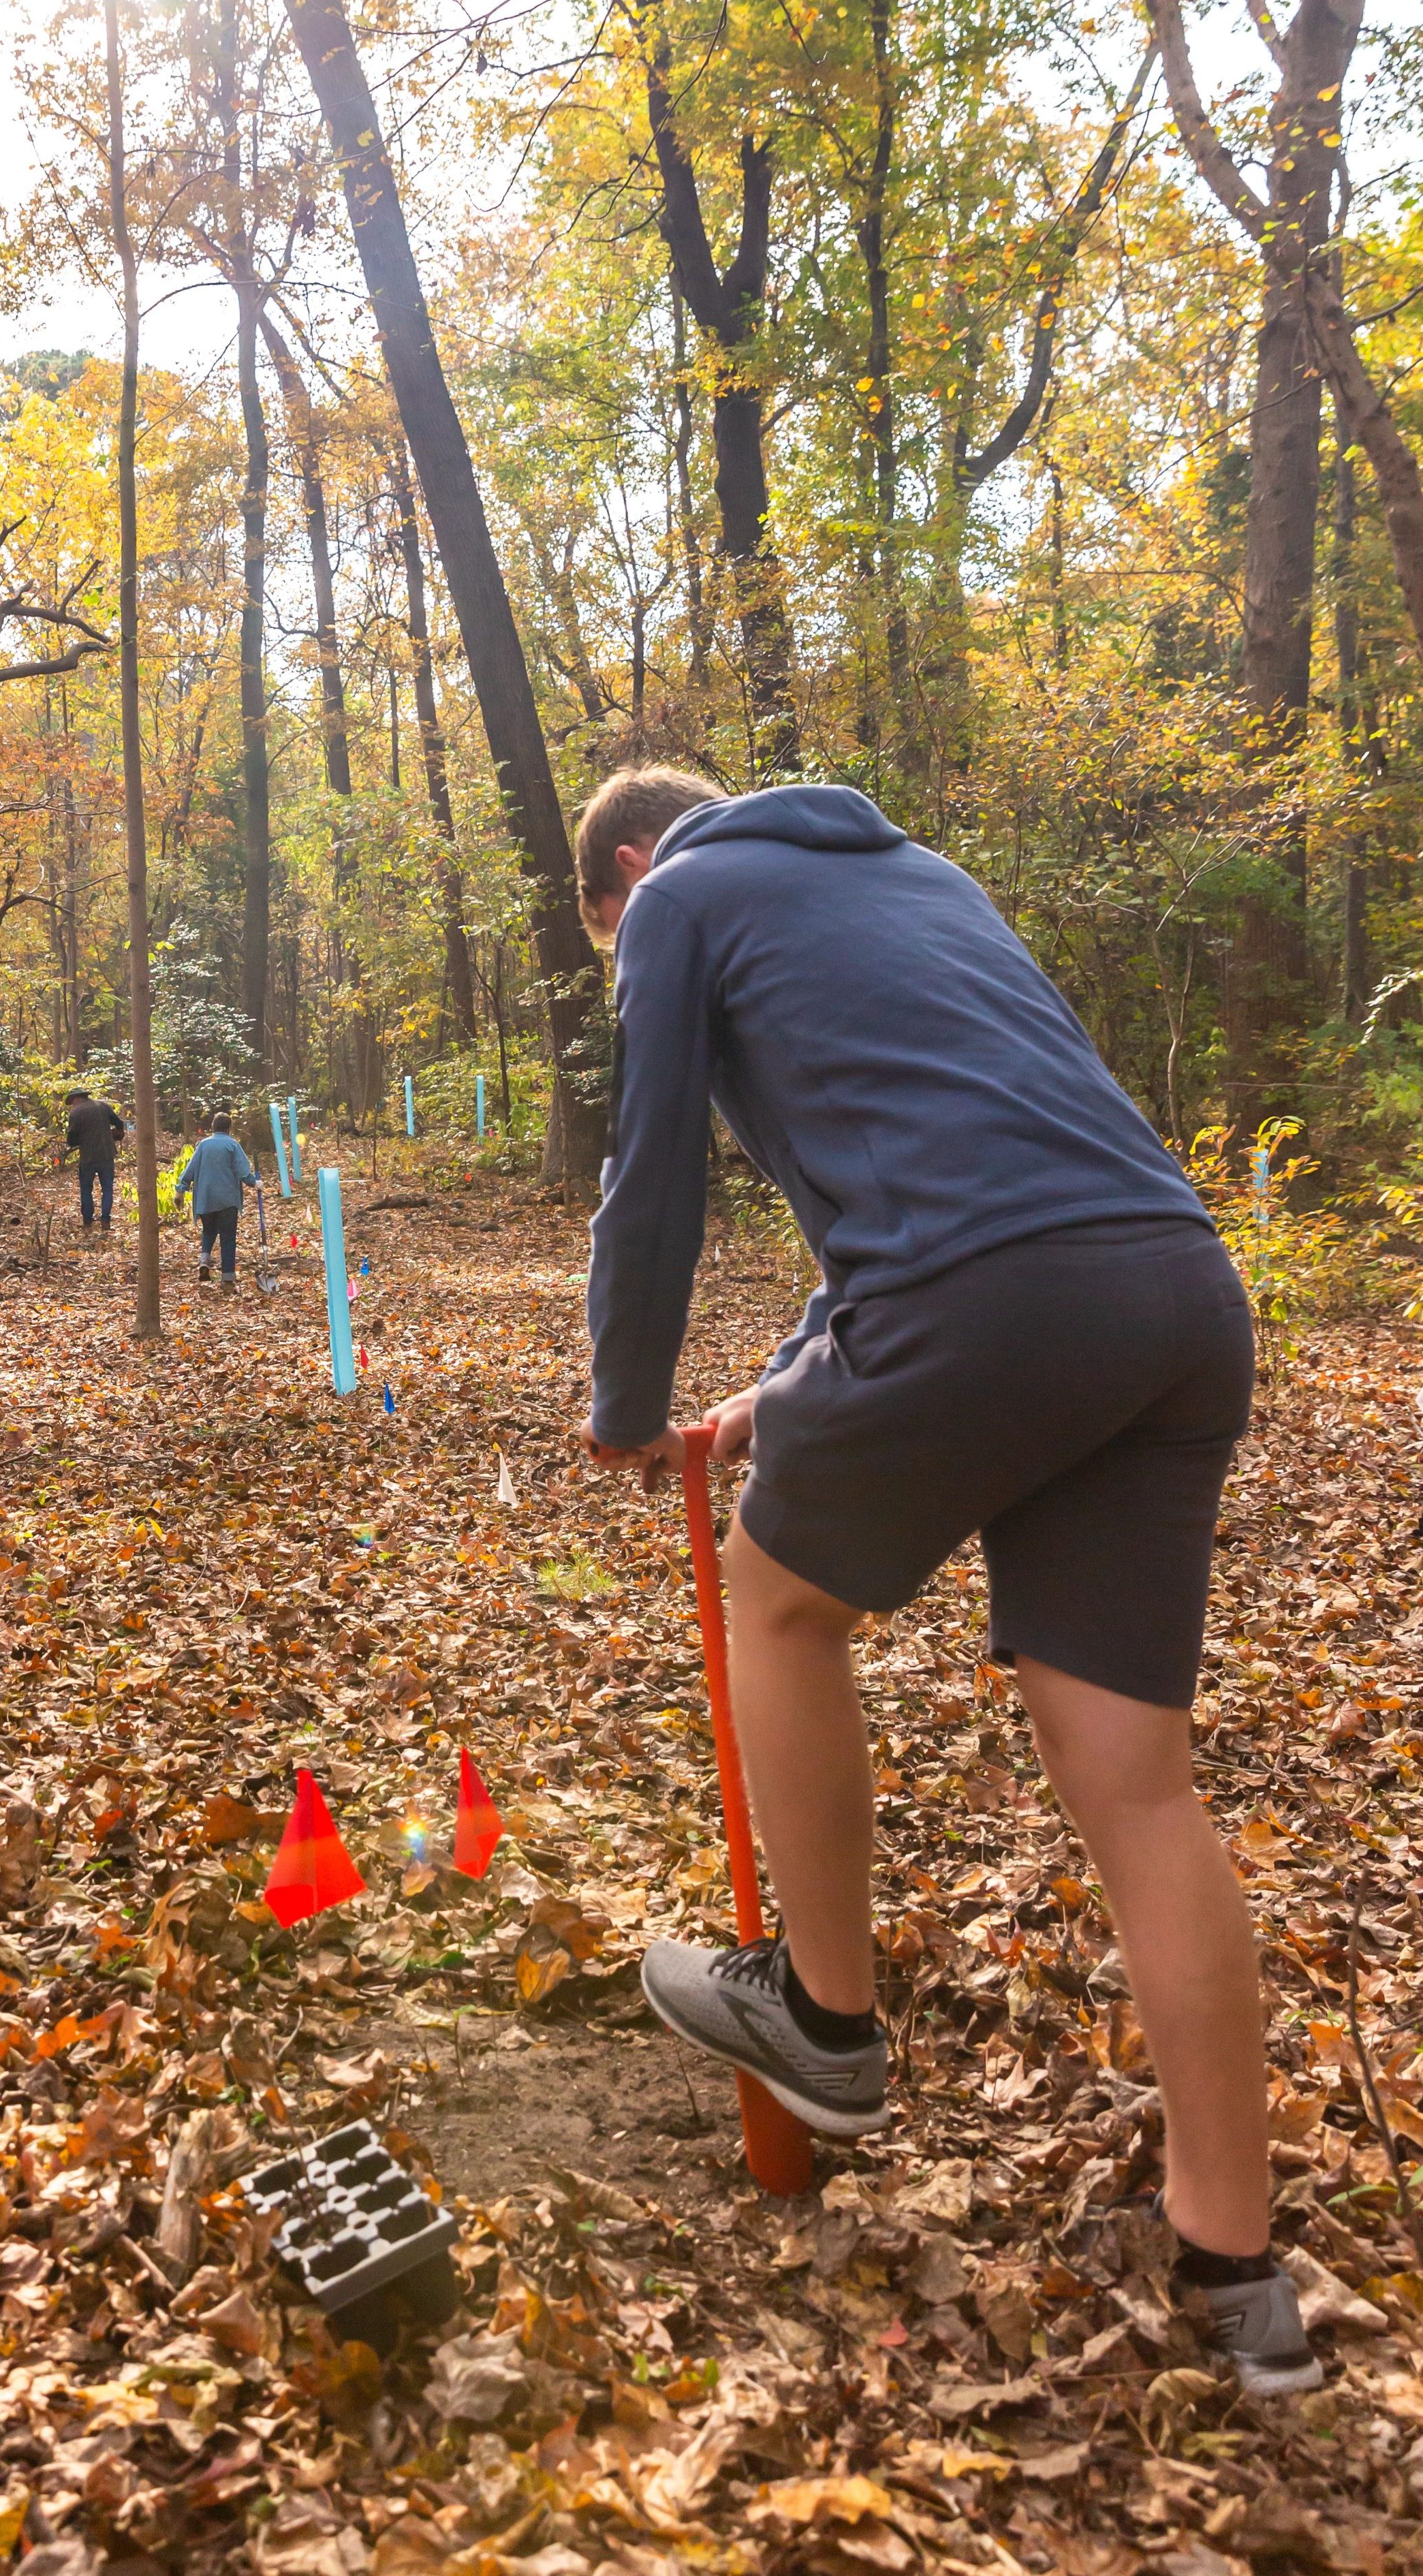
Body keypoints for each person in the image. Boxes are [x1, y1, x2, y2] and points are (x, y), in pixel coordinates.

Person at [576, 766, 1317, 2400]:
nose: (628, 967)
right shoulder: (924, 879)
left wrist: (623, 1410)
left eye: (608, 940)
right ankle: (1237, 2275)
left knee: (773, 1594)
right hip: (1169, 1296)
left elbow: (653, 1184)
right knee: (1135, 1784)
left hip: (994, 1299)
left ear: (631, 868)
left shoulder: (682, 900)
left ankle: (823, 2024)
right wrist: (768, 1393)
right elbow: (957, 1176)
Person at [174, 1112, 259, 1287]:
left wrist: (181, 1190)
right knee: (228, 1236)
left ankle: (205, 1259)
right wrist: (255, 1183)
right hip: (227, 1200)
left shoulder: (203, 1145)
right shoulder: (233, 1145)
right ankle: (227, 1279)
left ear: (212, 1127)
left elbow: (190, 1169)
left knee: (209, 1230)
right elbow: (243, 1172)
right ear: (229, 1128)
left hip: (206, 1198)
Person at [63, 1088, 127, 1234]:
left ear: (77, 1099)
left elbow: (71, 1140)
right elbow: (119, 1123)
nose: (72, 1105)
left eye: (72, 1102)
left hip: (88, 1157)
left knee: (86, 1189)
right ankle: (105, 1220)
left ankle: (88, 1221)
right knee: (108, 1188)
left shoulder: (76, 1113)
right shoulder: (103, 1106)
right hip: (106, 1154)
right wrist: (115, 1134)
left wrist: (83, 1139)